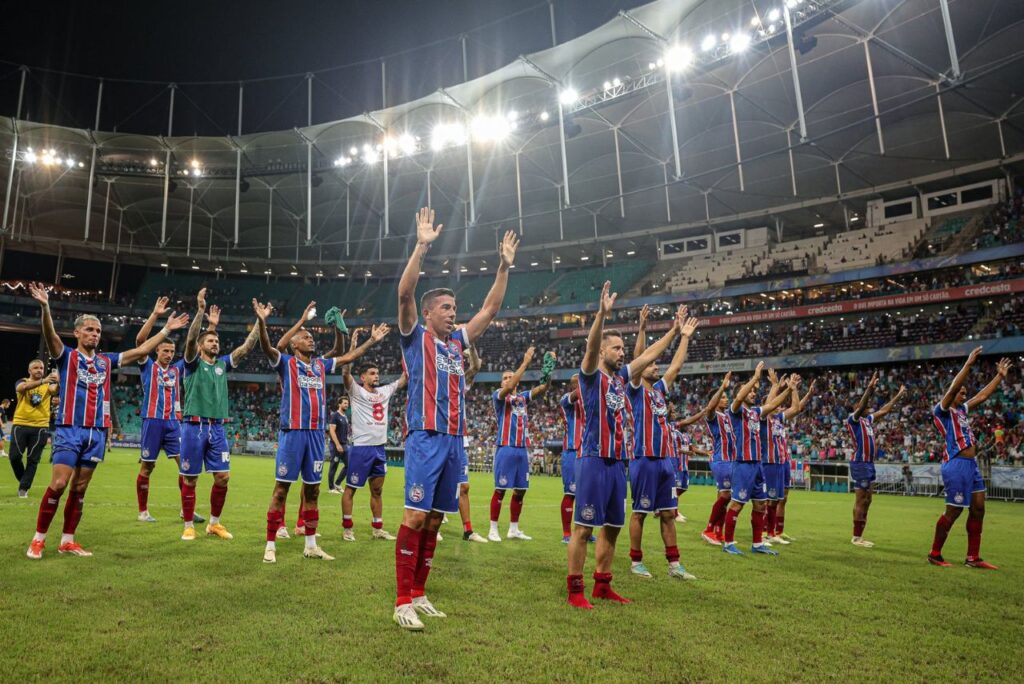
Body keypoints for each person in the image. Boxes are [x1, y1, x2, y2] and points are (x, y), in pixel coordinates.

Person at [392, 207, 518, 630]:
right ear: (429, 313)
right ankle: (401, 600)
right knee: (413, 517)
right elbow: (405, 293)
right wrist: (422, 246)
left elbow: (489, 311)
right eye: (446, 307)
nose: (452, 312)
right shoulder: (417, 337)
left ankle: (421, 593)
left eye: (453, 307)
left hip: (453, 440)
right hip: (425, 437)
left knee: (434, 519)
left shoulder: (453, 346)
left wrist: (503, 267)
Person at [25, 282, 189, 559]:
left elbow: (139, 352)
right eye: (89, 329)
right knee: (60, 484)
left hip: (96, 434)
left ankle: (68, 540)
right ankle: (38, 539)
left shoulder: (106, 361)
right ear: (77, 333)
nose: (94, 333)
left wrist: (166, 331)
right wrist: (45, 307)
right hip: (70, 429)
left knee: (80, 488)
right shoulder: (67, 357)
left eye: (98, 331)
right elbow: (50, 335)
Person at [566, 283, 683, 608]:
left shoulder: (620, 380)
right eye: (616, 348)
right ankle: (575, 590)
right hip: (592, 459)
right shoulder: (591, 376)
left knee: (613, 527)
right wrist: (602, 316)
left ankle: (602, 585)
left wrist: (674, 330)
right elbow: (591, 349)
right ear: (604, 351)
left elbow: (648, 355)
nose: (622, 352)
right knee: (583, 529)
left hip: (618, 463)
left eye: (622, 347)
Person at [258, 301, 387, 563]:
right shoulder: (285, 363)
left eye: (312, 337)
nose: (311, 340)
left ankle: (311, 544)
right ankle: (270, 544)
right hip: (293, 433)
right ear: (295, 344)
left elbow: (347, 356)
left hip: (316, 436)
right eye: (306, 337)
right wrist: (261, 322)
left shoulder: (319, 365)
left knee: (313, 491)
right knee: (281, 489)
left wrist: (371, 340)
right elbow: (267, 347)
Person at [177, 288, 261, 542]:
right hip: (193, 426)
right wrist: (201, 312)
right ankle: (189, 524)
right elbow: (191, 341)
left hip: (217, 428)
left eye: (217, 341)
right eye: (211, 341)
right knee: (190, 480)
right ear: (202, 346)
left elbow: (247, 347)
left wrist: (260, 321)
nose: (216, 343)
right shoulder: (192, 363)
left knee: (223, 477)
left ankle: (214, 524)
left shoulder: (223, 363)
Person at [625, 307, 702, 580]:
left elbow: (677, 366)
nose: (657, 366)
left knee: (669, 513)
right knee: (640, 513)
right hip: (643, 459)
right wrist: (643, 329)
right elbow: (641, 357)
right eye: (653, 364)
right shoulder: (633, 391)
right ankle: (636, 562)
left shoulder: (659, 392)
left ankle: (674, 564)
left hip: (665, 461)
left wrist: (685, 337)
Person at [133, 295, 217, 523]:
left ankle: (185, 510)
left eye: (171, 352)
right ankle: (143, 512)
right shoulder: (147, 366)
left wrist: (211, 327)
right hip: (151, 421)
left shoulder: (178, 369)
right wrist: (156, 316)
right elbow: (140, 341)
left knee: (187, 467)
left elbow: (199, 352)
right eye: (165, 351)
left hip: (173, 423)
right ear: (157, 352)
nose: (169, 355)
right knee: (148, 467)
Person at [928, 349, 1011, 569]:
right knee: (953, 511)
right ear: (952, 394)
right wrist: (968, 364)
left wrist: (1000, 377)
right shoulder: (942, 410)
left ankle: (973, 558)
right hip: (956, 464)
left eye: (965, 394)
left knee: (978, 508)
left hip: (971, 465)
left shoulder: (962, 411)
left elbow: (982, 396)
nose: (964, 396)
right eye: (961, 393)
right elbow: (955, 386)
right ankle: (935, 553)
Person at [341, 328, 407, 542]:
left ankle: (378, 528)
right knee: (351, 489)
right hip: (361, 448)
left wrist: (410, 346)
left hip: (379, 448)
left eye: (377, 373)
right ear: (362, 377)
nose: (376, 376)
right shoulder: (356, 391)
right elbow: (345, 372)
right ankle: (348, 528)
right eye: (371, 373)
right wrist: (353, 348)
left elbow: (404, 378)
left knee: (377, 491)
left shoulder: (385, 391)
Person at [721, 365, 794, 556]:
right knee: (737, 504)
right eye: (750, 391)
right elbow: (738, 398)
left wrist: (788, 389)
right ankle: (728, 543)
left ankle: (757, 543)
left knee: (760, 504)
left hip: (757, 465)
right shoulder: (735, 411)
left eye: (754, 391)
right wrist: (754, 378)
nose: (753, 393)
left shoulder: (754, 413)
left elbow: (771, 405)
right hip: (743, 464)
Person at [487, 346, 552, 542]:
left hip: (521, 450)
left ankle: (513, 529)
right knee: (500, 489)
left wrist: (548, 371)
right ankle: (493, 528)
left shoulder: (522, 397)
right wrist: (525, 362)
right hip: (505, 448)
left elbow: (542, 389)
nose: (508, 380)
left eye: (510, 377)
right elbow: (508, 388)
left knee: (521, 490)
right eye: (505, 377)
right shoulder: (499, 396)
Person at [846, 372, 904, 548]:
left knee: (868, 499)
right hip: (860, 463)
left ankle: (860, 535)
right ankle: (856, 537)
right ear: (858, 407)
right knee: (861, 499)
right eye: (865, 405)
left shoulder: (867, 421)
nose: (869, 406)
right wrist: (870, 388)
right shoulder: (854, 420)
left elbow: (885, 410)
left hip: (869, 464)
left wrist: (898, 396)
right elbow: (863, 402)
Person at [767, 375, 815, 545]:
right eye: (776, 405)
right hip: (770, 463)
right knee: (770, 499)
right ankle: (768, 531)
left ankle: (777, 531)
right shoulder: (763, 419)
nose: (779, 407)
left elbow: (796, 408)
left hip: (783, 461)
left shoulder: (779, 419)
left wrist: (798, 390)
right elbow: (790, 407)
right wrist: (779, 387)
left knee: (783, 497)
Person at [9, 360, 59, 497]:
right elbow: (21, 388)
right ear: (29, 370)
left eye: (41, 368)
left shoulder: (49, 384)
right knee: (14, 457)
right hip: (20, 424)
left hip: (40, 427)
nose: (39, 370)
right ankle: (23, 480)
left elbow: (55, 391)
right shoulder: (22, 381)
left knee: (33, 460)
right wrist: (43, 381)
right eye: (35, 368)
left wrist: (59, 382)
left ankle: (23, 488)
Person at [458, 337, 488, 543]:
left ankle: (468, 531)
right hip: (441, 435)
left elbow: (476, 365)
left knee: (464, 486)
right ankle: (434, 525)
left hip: (460, 438)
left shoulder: (461, 381)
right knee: (440, 482)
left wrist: (472, 345)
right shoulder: (436, 377)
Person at [700, 374, 736, 546]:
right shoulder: (712, 415)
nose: (725, 398)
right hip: (720, 460)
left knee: (726, 497)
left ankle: (718, 532)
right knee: (725, 495)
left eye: (726, 396)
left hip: (731, 460)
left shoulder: (729, 416)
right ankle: (708, 529)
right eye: (722, 397)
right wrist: (722, 386)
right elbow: (710, 407)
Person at [557, 375, 583, 543]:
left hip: (588, 453)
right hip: (572, 451)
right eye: (580, 381)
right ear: (573, 384)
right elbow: (577, 394)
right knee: (570, 493)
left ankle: (583, 531)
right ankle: (567, 533)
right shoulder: (566, 400)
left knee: (586, 495)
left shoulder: (588, 403)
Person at [327, 397, 350, 494]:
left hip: (344, 445)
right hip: (336, 445)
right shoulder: (335, 416)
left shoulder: (345, 417)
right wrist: (337, 445)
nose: (346, 405)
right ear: (339, 404)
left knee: (349, 465)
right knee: (334, 466)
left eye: (347, 403)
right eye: (344, 403)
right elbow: (332, 431)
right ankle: (331, 488)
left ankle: (337, 483)